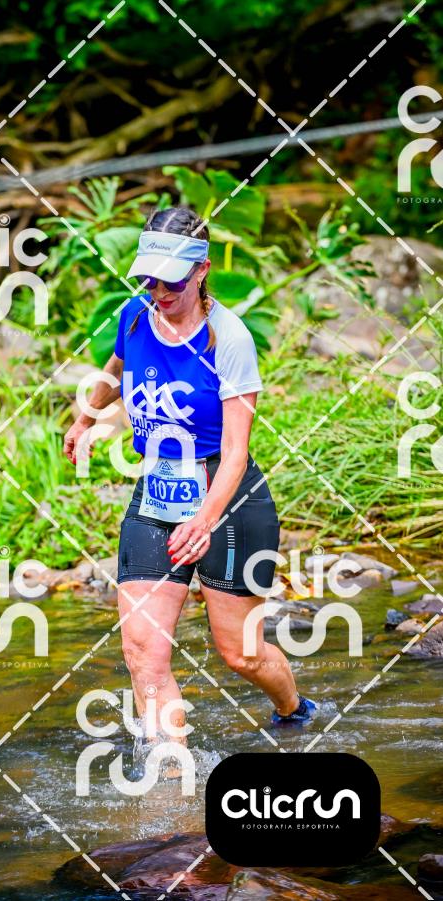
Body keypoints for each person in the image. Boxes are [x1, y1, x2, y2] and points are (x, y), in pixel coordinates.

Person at [63, 206, 316, 742]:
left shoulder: (229, 339)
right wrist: (85, 417)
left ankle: (294, 710)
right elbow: (116, 366)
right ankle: (171, 777)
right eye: (149, 279)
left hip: (227, 495)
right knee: (142, 650)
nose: (159, 291)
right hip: (157, 491)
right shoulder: (136, 315)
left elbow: (237, 451)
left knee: (240, 653)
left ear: (201, 270)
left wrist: (205, 520)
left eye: (171, 280)